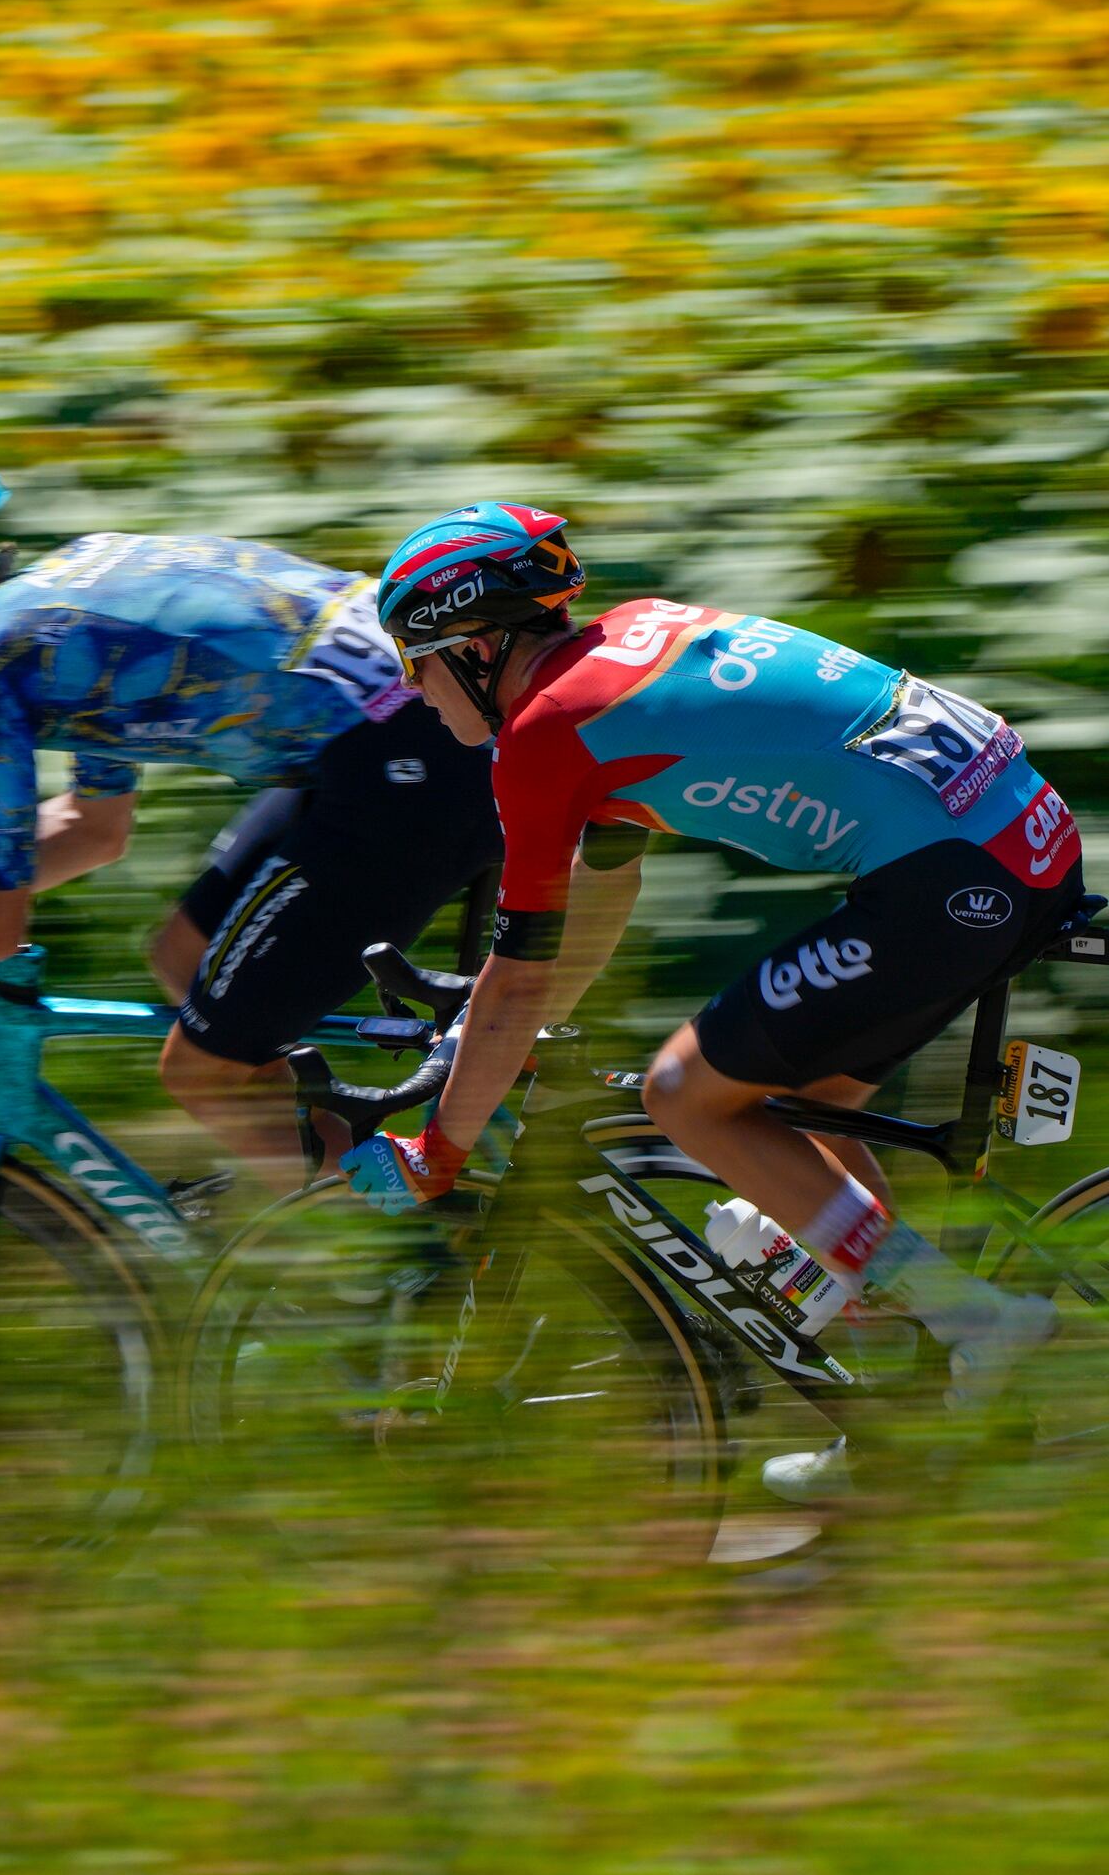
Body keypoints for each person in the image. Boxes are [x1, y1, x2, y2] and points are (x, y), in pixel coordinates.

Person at [351, 504, 1078, 1483]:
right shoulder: (630, 640)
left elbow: (520, 976)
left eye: (414, 660)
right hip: (1013, 836)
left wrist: (437, 1151)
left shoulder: (542, 735)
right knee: (804, 1127)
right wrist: (477, 1046)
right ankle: (900, 1425)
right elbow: (596, 905)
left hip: (953, 880)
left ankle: (975, 1322)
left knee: (682, 1095)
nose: (411, 690)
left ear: (475, 648)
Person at [0, 446, 629, 1190]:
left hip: (407, 759)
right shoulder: (52, 606)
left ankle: (383, 1245)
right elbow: (88, 828)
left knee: (199, 1072)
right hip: (406, 739)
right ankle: (336, 1202)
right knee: (184, 958)